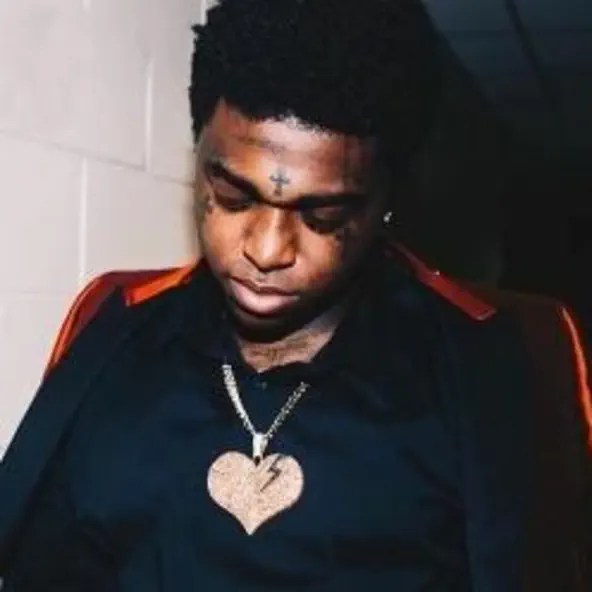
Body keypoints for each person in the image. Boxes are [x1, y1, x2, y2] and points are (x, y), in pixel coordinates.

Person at [0, 0, 590, 590]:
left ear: (385, 201)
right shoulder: (114, 329)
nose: (266, 249)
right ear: (198, 153)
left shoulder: (485, 367)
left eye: (323, 215)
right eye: (233, 196)